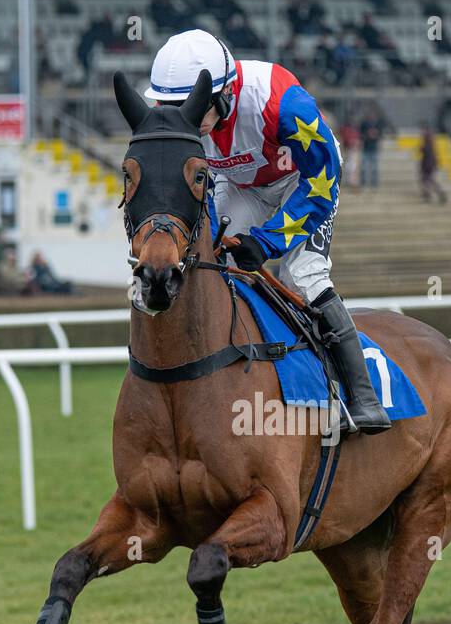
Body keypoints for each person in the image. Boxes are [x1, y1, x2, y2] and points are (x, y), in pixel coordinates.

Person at [144, 29, 390, 432]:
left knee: (303, 275)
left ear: (223, 95)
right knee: (210, 262)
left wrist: (267, 241)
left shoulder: (281, 102)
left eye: (193, 109)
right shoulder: (185, 121)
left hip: (305, 181)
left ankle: (363, 399)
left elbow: (321, 181)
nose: (185, 120)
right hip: (242, 186)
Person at [417, 126, 447, 204]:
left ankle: (433, 194)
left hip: (427, 166)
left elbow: (421, 152)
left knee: (427, 180)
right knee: (427, 180)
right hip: (430, 165)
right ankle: (429, 194)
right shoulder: (432, 145)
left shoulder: (427, 145)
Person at [358, 107, 386, 190]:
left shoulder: (378, 124)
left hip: (374, 148)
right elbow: (360, 134)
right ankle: (363, 183)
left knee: (374, 168)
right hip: (366, 148)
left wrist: (376, 135)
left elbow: (380, 135)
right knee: (364, 167)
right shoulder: (364, 124)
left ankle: (374, 184)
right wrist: (367, 135)